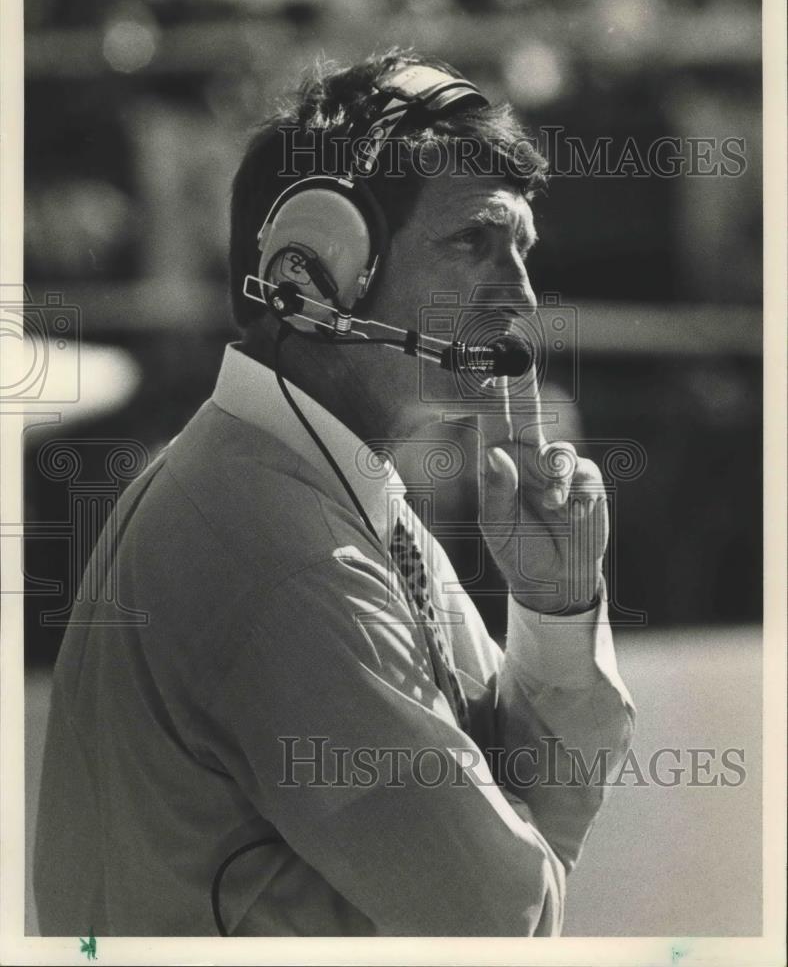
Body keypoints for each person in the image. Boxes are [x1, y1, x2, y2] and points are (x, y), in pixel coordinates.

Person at [34, 50, 635, 937]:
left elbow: (515, 840)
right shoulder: (279, 552)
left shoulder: (320, 486)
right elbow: (501, 922)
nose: (521, 295)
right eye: (474, 241)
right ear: (314, 269)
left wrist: (552, 606)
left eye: (522, 250)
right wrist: (518, 841)